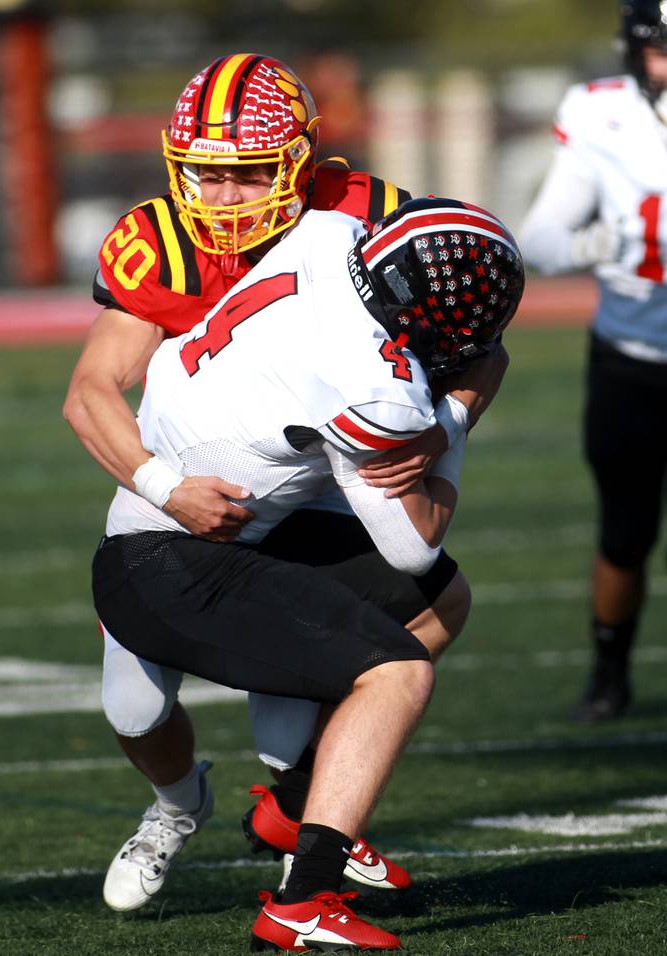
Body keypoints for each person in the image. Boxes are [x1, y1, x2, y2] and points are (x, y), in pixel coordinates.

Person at [64, 53, 501, 914]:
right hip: (184, 494)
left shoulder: (363, 214)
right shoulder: (163, 238)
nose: (222, 196)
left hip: (320, 474)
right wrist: (167, 486)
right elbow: (89, 391)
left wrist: (431, 425)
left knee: (423, 612)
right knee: (135, 712)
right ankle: (176, 805)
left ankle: (301, 810)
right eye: (205, 174)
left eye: (248, 174)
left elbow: (467, 333)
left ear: (300, 161)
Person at [519, 0, 667, 723]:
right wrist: (596, 245)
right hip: (631, 359)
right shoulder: (601, 116)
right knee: (625, 533)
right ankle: (609, 671)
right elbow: (540, 239)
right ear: (635, 52)